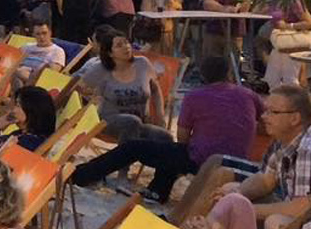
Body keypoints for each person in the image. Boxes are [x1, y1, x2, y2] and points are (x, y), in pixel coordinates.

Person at [174, 84, 311, 229]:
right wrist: (238, 193)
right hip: (309, 211)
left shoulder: (308, 149)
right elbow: (266, 179)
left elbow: (302, 208)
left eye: (272, 112)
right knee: (232, 192)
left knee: (274, 222)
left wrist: (244, 207)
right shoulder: (285, 139)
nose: (263, 116)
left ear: (295, 119)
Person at [72, 56, 261, 203]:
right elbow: (264, 121)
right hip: (239, 162)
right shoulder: (249, 95)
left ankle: (80, 175)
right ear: (229, 74)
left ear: (202, 76)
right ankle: (157, 190)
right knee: (169, 149)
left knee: (135, 148)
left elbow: (183, 138)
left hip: (206, 161)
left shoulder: (195, 97)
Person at [76, 32, 168, 144]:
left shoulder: (142, 63)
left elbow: (155, 89)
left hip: (141, 123)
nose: (126, 47)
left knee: (165, 137)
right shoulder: (101, 69)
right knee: (131, 122)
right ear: (110, 53)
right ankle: (123, 158)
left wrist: (161, 117)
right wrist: (92, 100)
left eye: (127, 42)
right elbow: (77, 88)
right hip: (108, 123)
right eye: (119, 45)